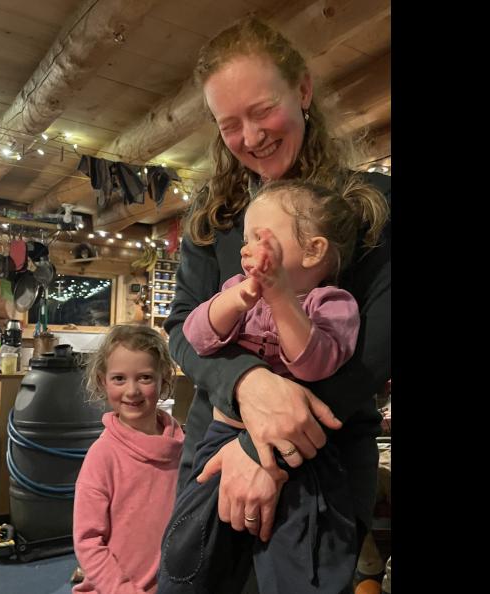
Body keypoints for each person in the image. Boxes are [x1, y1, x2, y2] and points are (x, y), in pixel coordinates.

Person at [157, 16, 391, 594]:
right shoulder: (212, 216)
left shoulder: (374, 206)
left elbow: (374, 352)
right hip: (214, 448)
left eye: (263, 111)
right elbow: (182, 328)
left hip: (325, 459)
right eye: (229, 124)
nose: (251, 137)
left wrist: (259, 451)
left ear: (303, 90)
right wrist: (247, 383)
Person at [73, 325, 185, 594]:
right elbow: (88, 541)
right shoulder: (102, 456)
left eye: (145, 377)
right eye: (119, 379)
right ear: (103, 381)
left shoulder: (185, 449)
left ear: (163, 379)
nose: (132, 390)